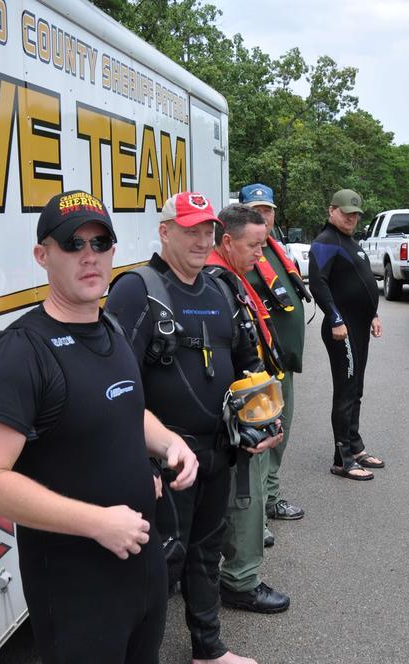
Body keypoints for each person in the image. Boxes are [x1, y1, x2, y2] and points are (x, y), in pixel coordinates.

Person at [0, 190, 199, 664]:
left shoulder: (110, 327)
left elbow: (127, 411)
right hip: (76, 587)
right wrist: (97, 523)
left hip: (142, 570)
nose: (88, 257)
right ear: (42, 256)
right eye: (72, 244)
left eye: (99, 243)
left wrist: (170, 441)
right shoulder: (20, 351)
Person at [105, 191, 279, 664]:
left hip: (217, 451)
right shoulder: (137, 290)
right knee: (159, 563)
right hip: (163, 459)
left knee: (205, 555)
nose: (203, 241)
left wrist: (263, 421)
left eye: (208, 231)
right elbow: (116, 383)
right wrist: (142, 460)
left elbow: (247, 363)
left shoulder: (220, 288)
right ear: (165, 232)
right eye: (190, 231)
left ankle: (209, 650)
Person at [203, 203, 292, 614]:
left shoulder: (228, 277)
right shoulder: (215, 284)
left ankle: (234, 571)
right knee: (245, 495)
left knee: (243, 495)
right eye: (254, 245)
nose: (261, 253)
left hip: (249, 401)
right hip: (238, 411)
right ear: (226, 242)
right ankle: (240, 581)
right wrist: (255, 417)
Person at [238, 184, 308, 538]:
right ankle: (255, 519)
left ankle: (271, 498)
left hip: (284, 363)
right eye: (256, 211)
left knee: (280, 435)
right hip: (259, 367)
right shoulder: (242, 255)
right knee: (259, 441)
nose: (263, 217)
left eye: (268, 210)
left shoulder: (277, 250)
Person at [308, 188, 385, 481]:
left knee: (356, 390)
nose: (351, 218)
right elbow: (319, 284)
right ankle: (343, 459)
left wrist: (373, 314)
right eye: (345, 213)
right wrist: (335, 317)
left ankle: (355, 445)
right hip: (342, 329)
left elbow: (362, 286)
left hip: (359, 326)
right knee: (345, 392)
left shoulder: (351, 242)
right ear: (331, 211)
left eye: (355, 214)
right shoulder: (325, 243)